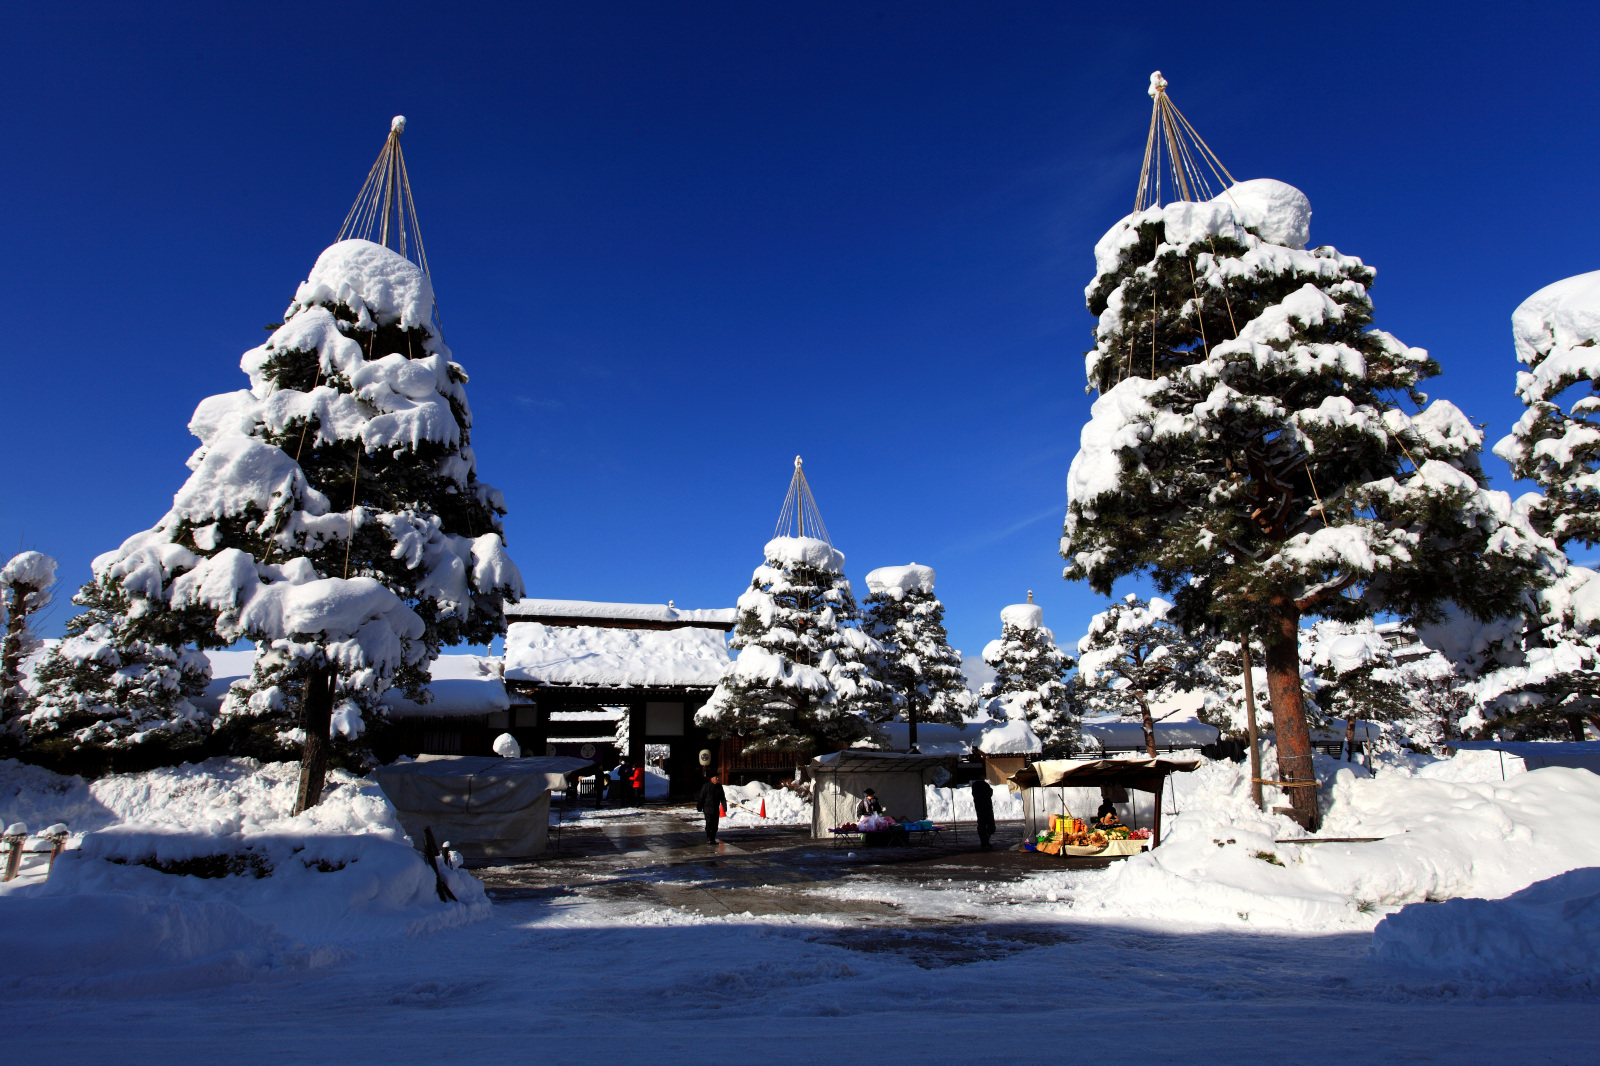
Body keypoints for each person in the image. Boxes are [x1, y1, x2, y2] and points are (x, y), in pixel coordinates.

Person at [696, 773, 726, 845]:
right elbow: (701, 797)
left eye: (718, 777)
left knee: (715, 825)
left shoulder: (719, 787)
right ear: (712, 778)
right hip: (707, 809)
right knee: (709, 824)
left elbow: (722, 798)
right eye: (716, 777)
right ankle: (709, 838)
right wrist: (699, 806)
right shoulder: (706, 786)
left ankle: (713, 838)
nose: (718, 779)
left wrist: (724, 807)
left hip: (715, 808)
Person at [969, 777, 995, 851]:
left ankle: (983, 841)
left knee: (981, 824)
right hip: (987, 807)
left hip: (979, 808)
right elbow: (990, 793)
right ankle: (986, 837)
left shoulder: (974, 786)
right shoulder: (985, 785)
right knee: (991, 825)